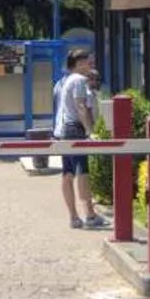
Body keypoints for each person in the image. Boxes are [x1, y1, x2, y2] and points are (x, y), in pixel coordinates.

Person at [54, 48, 100, 229]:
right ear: (79, 63)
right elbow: (81, 107)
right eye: (89, 62)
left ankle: (74, 216)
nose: (92, 65)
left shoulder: (64, 81)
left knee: (67, 173)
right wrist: (90, 131)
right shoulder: (80, 80)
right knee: (83, 171)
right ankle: (89, 214)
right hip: (75, 129)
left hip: (63, 129)